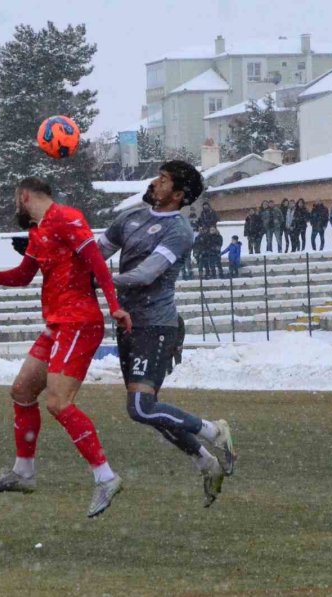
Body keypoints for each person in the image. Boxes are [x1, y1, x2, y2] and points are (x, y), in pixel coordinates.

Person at [0, 177, 132, 518]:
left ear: (24, 195)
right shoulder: (39, 231)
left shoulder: (67, 217)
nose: (15, 205)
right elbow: (23, 275)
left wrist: (114, 305)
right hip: (58, 324)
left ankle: (106, 477)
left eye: (16, 199)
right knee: (21, 391)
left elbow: (96, 262)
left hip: (79, 322)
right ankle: (24, 472)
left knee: (59, 403)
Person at [97, 160, 237, 508]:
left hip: (157, 327)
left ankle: (213, 431)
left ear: (177, 194)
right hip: (128, 324)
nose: (154, 183)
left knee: (142, 408)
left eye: (162, 180)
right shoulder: (130, 218)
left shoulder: (179, 231)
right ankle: (206, 462)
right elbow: (95, 254)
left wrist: (99, 279)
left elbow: (146, 274)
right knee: (148, 410)